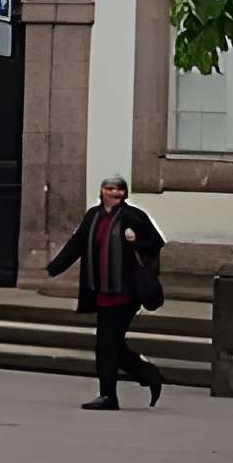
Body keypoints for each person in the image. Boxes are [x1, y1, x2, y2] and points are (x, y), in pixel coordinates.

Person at [46, 174, 165, 410]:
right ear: (102, 192)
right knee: (111, 345)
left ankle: (110, 395)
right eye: (110, 189)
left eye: (119, 190)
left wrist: (136, 240)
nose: (115, 193)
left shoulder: (133, 216)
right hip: (101, 291)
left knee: (106, 344)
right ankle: (147, 374)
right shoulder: (93, 216)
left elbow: (156, 242)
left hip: (127, 292)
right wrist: (53, 268)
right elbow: (77, 243)